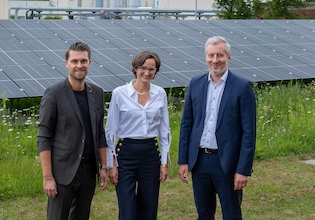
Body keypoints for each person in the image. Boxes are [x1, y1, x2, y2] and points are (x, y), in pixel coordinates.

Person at [177, 36, 257, 220]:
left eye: (219, 55)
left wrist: (243, 169)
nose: (215, 60)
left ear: (228, 57)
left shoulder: (242, 87)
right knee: (203, 213)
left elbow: (249, 133)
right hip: (200, 161)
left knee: (231, 213)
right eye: (211, 55)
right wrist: (183, 160)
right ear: (205, 57)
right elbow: (186, 124)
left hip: (227, 162)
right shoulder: (195, 83)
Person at [37, 41, 108, 220]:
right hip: (63, 171)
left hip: (89, 170)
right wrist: (48, 177)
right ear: (66, 63)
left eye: (83, 61)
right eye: (75, 61)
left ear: (90, 63)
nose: (79, 65)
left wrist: (103, 167)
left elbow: (100, 133)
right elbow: (44, 136)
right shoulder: (54, 93)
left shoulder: (97, 93)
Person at [105, 50, 171, 220]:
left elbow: (164, 131)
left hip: (150, 153)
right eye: (143, 68)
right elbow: (110, 130)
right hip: (126, 152)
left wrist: (164, 162)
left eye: (152, 69)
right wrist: (111, 163)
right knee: (127, 209)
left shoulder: (160, 94)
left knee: (149, 207)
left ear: (156, 71)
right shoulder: (120, 93)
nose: (147, 73)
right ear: (135, 68)